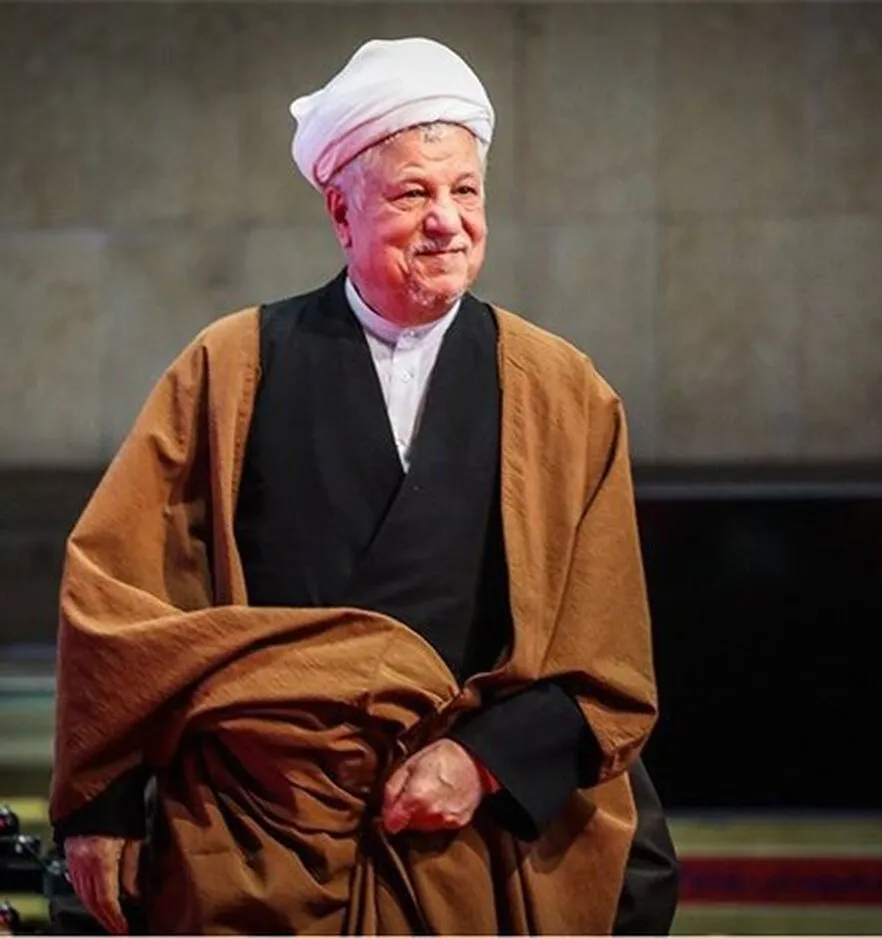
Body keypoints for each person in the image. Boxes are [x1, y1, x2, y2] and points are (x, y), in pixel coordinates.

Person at [50, 37, 678, 935]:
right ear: (341, 211)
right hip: (260, 831)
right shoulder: (232, 367)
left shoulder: (562, 391)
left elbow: (607, 651)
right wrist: (103, 807)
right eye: (414, 194)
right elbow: (121, 596)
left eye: (467, 191)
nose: (448, 221)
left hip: (472, 824)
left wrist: (481, 763)